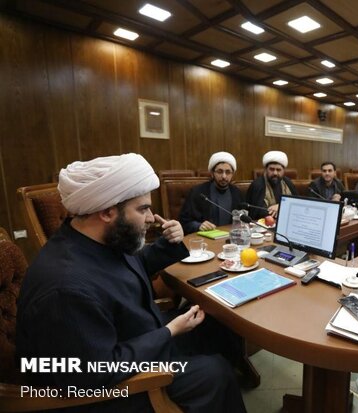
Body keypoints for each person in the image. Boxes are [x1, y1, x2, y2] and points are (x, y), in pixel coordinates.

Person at [16, 153, 246, 413]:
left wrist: (169, 243)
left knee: (218, 322)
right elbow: (94, 373)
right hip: (109, 391)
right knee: (215, 373)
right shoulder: (65, 288)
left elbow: (129, 268)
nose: (151, 218)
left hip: (138, 337)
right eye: (143, 208)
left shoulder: (98, 238)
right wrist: (170, 331)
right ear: (107, 212)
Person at [179, 151, 242, 234]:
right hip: (205, 240)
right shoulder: (198, 193)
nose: (224, 176)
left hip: (231, 240)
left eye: (228, 172)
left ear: (232, 174)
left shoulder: (237, 193)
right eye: (219, 172)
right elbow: (184, 222)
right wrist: (198, 225)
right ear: (212, 173)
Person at [246, 150, 297, 219]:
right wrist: (283, 207)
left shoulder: (287, 183)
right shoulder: (258, 185)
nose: (275, 173)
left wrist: (280, 206)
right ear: (266, 169)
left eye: (278, 170)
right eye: (272, 169)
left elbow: (296, 205)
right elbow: (258, 212)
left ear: (283, 170)